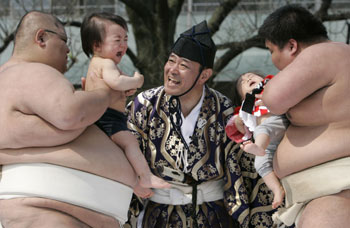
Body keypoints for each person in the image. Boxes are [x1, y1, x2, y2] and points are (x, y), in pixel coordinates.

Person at [126, 21, 276, 228]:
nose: (172, 70)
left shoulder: (224, 108)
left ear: (204, 75)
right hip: (159, 216)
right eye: (171, 61)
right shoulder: (144, 105)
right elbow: (125, 152)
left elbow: (243, 169)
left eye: (183, 65)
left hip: (214, 216)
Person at [0, 11, 140, 228]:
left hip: (52, 207)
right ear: (41, 38)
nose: (68, 50)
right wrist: (106, 95)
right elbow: (70, 114)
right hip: (47, 209)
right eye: (64, 40)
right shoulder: (32, 71)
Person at [258, 4, 350, 228]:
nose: (272, 60)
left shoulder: (326, 52)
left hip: (337, 192)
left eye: (271, 51)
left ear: (291, 45)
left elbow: (274, 98)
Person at [81, 12, 171, 198]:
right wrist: (135, 81)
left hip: (102, 116)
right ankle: (145, 176)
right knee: (130, 142)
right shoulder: (106, 63)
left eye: (125, 39)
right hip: (108, 116)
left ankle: (136, 185)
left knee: (119, 153)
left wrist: (124, 90)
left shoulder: (97, 63)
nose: (123, 44)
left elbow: (114, 87)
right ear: (97, 45)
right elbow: (117, 83)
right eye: (117, 40)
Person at [225, 72, 289, 209]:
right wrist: (238, 121)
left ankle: (258, 147)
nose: (248, 78)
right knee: (260, 164)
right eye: (242, 82)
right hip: (269, 143)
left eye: (251, 75)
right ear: (242, 96)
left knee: (262, 129)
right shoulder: (245, 108)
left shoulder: (270, 86)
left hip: (279, 123)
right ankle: (277, 190)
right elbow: (236, 131)